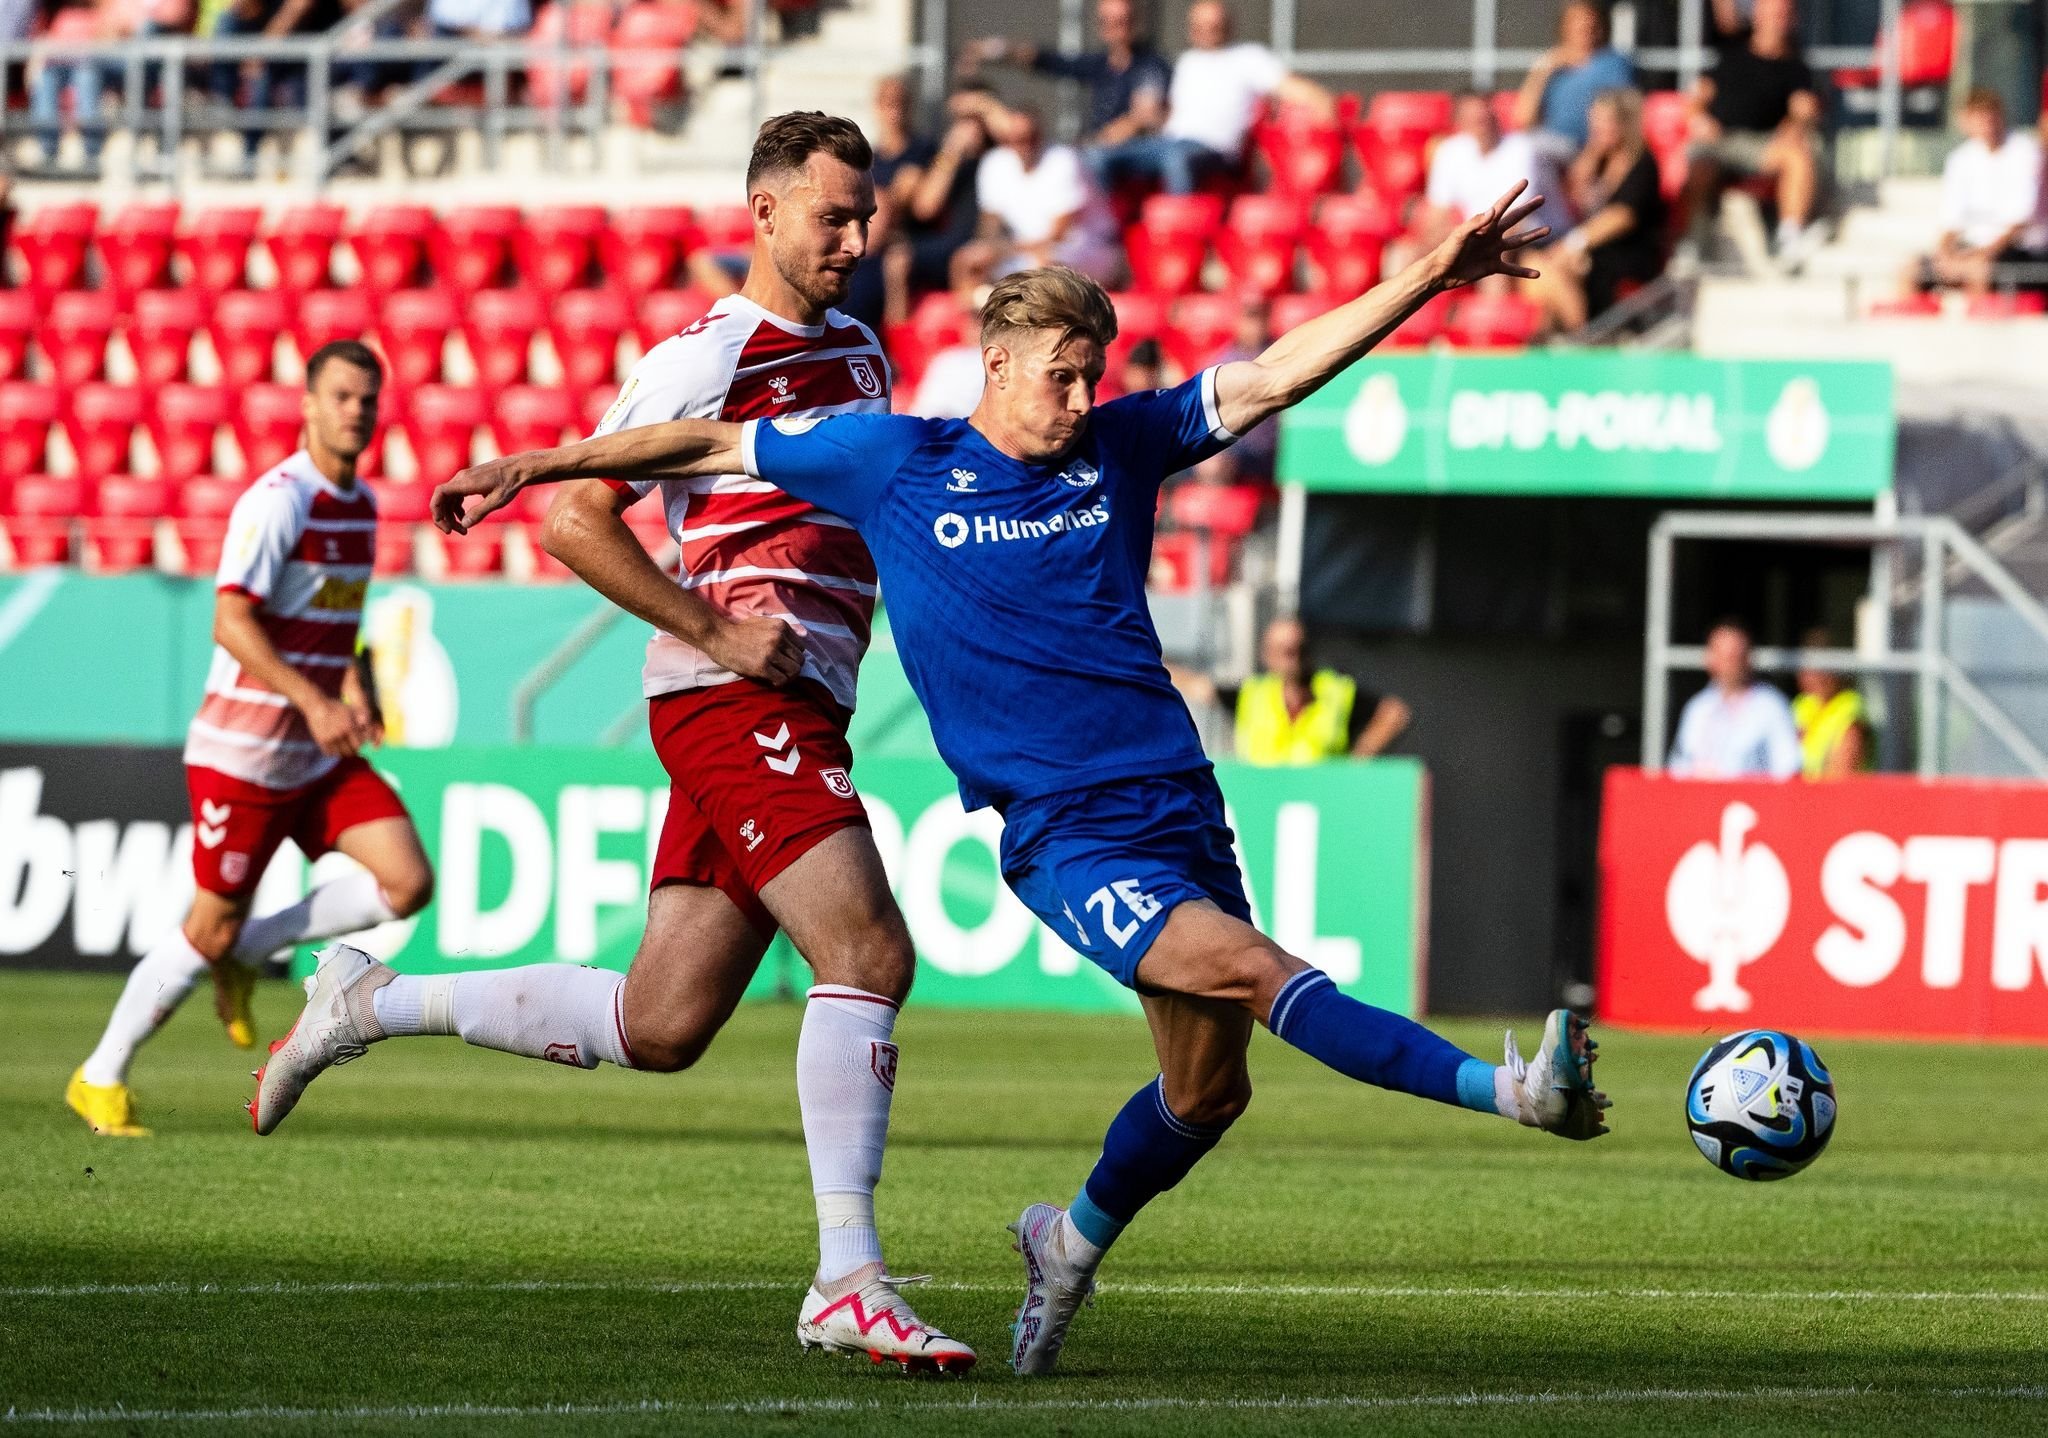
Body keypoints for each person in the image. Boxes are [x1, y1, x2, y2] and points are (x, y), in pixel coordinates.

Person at [431, 182, 1611, 1377]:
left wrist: (1426, 274)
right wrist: (543, 460)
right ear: (994, 369)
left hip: (1176, 804)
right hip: (1064, 835)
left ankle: (1064, 1242)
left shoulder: (1123, 444)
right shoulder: (895, 460)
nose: (1083, 396)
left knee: (1205, 1096)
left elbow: (1271, 377)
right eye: (1062, 374)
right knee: (1255, 971)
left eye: (1093, 372)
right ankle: (1510, 1091)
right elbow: (704, 441)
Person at [251, 113, 975, 1375]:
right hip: (726, 690)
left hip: (803, 695)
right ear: (760, 213)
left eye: (865, 215)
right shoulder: (704, 355)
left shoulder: (857, 348)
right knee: (866, 946)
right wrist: (716, 626)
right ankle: (846, 1279)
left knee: (664, 1019)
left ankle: (366, 1000)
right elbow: (576, 519)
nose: (858, 238)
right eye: (834, 215)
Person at [66, 341, 435, 1138]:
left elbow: (335, 623)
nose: (355, 411)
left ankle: (247, 953)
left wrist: (352, 689)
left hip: (313, 751)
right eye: (340, 396)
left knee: (406, 881)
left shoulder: (361, 505)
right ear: (307, 404)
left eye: (367, 399)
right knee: (207, 926)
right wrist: (314, 699)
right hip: (244, 755)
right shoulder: (278, 501)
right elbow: (231, 621)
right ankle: (100, 1076)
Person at [1088, 0, 1334, 197]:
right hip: (1170, 143)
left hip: (1216, 151)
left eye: (1213, 25)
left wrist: (1323, 109)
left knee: (1177, 159)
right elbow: (1167, 116)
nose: (1205, 31)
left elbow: (1301, 91)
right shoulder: (1187, 62)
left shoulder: (1249, 58)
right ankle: (1106, 234)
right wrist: (1137, 121)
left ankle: (1181, 233)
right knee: (1098, 156)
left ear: (1227, 25)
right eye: (1199, 26)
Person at [1676, 0, 1823, 269]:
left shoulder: (1796, 66)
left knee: (1798, 155)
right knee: (1697, 166)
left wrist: (1795, 125)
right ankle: (1694, 243)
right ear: (1757, 16)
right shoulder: (1730, 53)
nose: (1776, 20)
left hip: (1762, 145)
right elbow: (1696, 97)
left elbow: (1804, 109)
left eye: (1783, 14)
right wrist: (1699, 119)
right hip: (1720, 142)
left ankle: (1790, 237)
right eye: (1770, 12)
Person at [1525, 87, 1668, 334]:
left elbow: (1622, 216)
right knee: (1536, 264)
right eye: (1595, 121)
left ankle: (1577, 336)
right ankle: (1555, 334)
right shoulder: (1600, 161)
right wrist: (1591, 155)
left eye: (1606, 121)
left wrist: (1574, 244)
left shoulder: (1643, 164)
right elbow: (1573, 197)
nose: (1598, 128)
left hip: (1625, 253)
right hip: (1592, 248)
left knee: (1555, 266)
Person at [1175, 616, 1411, 765]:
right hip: (1265, 799)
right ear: (1266, 656)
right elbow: (1198, 687)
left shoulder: (1334, 691)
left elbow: (1394, 713)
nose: (1292, 657)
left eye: (1297, 649)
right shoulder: (1252, 694)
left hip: (1322, 800)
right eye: (1283, 650)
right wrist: (1146, 663)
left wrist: (1357, 761)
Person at [961, 0, 1170, 147]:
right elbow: (1047, 60)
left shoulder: (1150, 65)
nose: (1114, 29)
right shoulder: (1100, 64)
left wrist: (1100, 142)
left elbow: (1143, 115)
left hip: (1130, 153)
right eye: (1107, 22)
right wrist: (990, 51)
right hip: (1096, 148)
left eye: (1122, 21)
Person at [1904, 88, 2047, 299]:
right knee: (1912, 270)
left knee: (1979, 271)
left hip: (2018, 249)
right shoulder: (1960, 159)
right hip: (1974, 247)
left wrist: (1982, 254)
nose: (1985, 124)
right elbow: (1951, 219)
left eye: (1989, 117)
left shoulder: (2027, 153)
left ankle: (1978, 329)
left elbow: (2021, 221)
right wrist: (1944, 253)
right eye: (1978, 118)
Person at [976, 103, 1122, 283]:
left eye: (1030, 137)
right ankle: (980, 307)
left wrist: (1009, 249)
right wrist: (993, 249)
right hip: (1024, 251)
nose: (1024, 144)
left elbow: (1059, 233)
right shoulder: (995, 163)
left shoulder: (1063, 160)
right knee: (970, 262)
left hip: (1085, 249)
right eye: (1016, 138)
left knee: (1043, 269)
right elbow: (989, 226)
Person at [1422, 91, 1571, 257]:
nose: (1483, 125)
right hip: (1477, 238)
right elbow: (1437, 214)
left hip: (1533, 241)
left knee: (1494, 260)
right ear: (1460, 122)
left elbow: (1516, 219)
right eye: (1476, 120)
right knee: (1405, 254)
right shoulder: (1449, 151)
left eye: (1486, 117)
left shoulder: (1522, 148)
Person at [1666, 619, 1801, 779]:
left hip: (1752, 801)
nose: (1730, 664)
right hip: (1700, 799)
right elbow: (1679, 766)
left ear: (1748, 658)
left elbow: (1788, 769)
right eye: (1723, 655)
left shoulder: (1771, 707)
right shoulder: (1698, 708)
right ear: (1710, 658)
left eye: (1736, 656)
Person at [1513, 0, 1635, 155]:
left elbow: (1618, 121)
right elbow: (1523, 120)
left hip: (1588, 150)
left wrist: (1591, 157)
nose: (1585, 25)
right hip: (1553, 148)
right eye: (1577, 20)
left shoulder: (1613, 64)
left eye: (1590, 19)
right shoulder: (1552, 63)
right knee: (1519, 145)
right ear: (1564, 26)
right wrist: (1543, 69)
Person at [1793, 628, 1871, 779]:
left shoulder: (1850, 708)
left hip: (1834, 798)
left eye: (1820, 670)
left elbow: (1844, 772)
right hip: (1803, 795)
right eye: (1808, 669)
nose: (1813, 677)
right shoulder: (1802, 705)